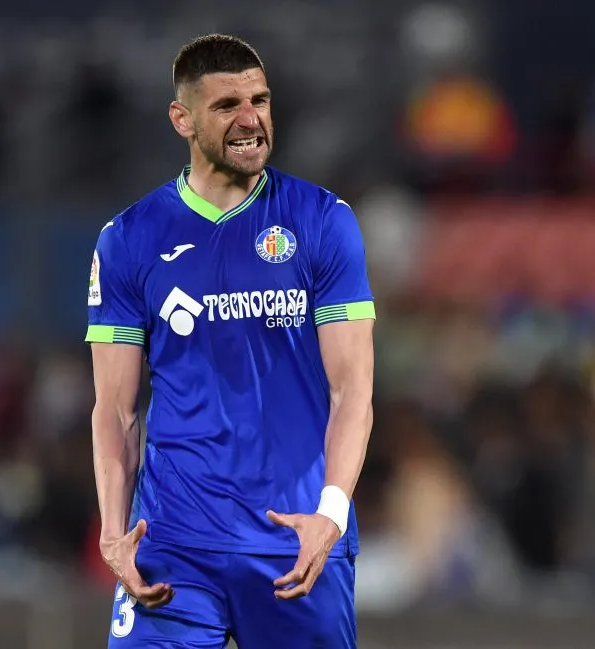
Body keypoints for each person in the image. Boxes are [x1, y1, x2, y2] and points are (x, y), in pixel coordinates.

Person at [86, 33, 375, 648]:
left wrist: (331, 514)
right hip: (173, 542)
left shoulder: (322, 221)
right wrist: (113, 530)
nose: (250, 120)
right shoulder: (129, 240)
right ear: (182, 119)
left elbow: (353, 391)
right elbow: (115, 409)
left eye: (260, 101)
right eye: (226, 106)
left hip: (295, 538)